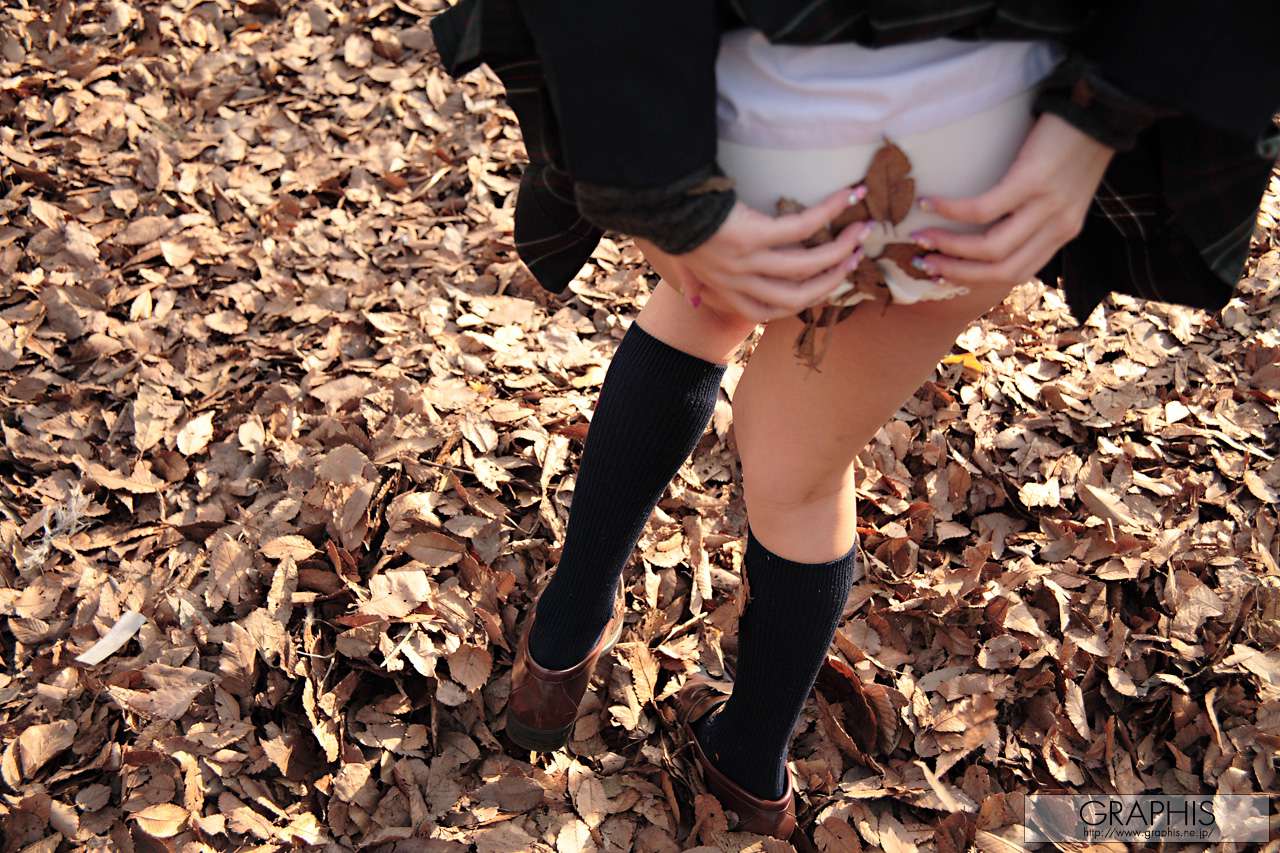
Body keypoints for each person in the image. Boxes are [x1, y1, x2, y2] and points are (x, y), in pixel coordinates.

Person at [430, 1, 1279, 841]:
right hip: (977, 153)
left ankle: (561, 643)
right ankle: (746, 767)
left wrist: (647, 183)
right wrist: (1098, 120)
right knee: (798, 475)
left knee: (697, 311)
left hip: (749, 107)